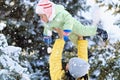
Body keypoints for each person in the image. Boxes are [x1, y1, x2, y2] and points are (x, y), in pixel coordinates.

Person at [35, 0, 108, 79]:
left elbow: (55, 60)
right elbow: (82, 62)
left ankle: (98, 31)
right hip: (66, 28)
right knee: (79, 34)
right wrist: (80, 40)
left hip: (69, 27)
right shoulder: (79, 75)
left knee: (82, 31)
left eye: (69, 64)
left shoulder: (61, 77)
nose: (67, 63)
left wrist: (61, 38)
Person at [35, 0, 108, 46]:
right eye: (40, 16)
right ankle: (85, 52)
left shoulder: (61, 14)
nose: (41, 19)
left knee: (82, 31)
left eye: (42, 16)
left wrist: (67, 30)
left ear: (48, 13)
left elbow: (69, 19)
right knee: (75, 41)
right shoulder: (49, 22)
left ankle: (99, 31)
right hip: (65, 31)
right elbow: (47, 28)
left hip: (73, 25)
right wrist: (47, 36)